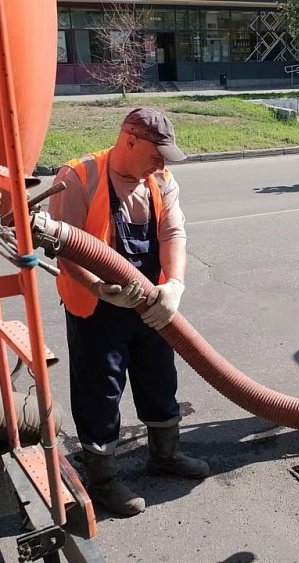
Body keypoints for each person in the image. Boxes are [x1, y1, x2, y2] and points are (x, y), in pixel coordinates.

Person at [49, 108, 209, 517]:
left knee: (159, 377)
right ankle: (103, 480)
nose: (161, 164)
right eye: (157, 154)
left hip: (149, 303)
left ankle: (164, 455)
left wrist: (173, 285)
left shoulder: (160, 180)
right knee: (100, 390)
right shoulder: (77, 177)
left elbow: (173, 233)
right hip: (96, 308)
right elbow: (66, 249)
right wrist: (99, 287)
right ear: (130, 140)